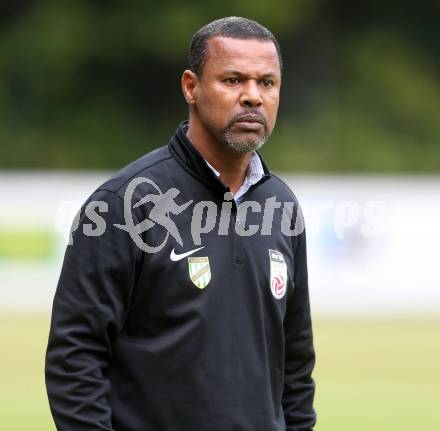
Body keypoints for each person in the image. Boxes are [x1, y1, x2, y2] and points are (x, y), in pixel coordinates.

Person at [45, 16, 316, 431]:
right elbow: (75, 358)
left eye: (266, 83)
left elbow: (295, 365)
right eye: (232, 80)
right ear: (191, 86)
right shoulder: (123, 205)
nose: (252, 97)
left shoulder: (281, 206)